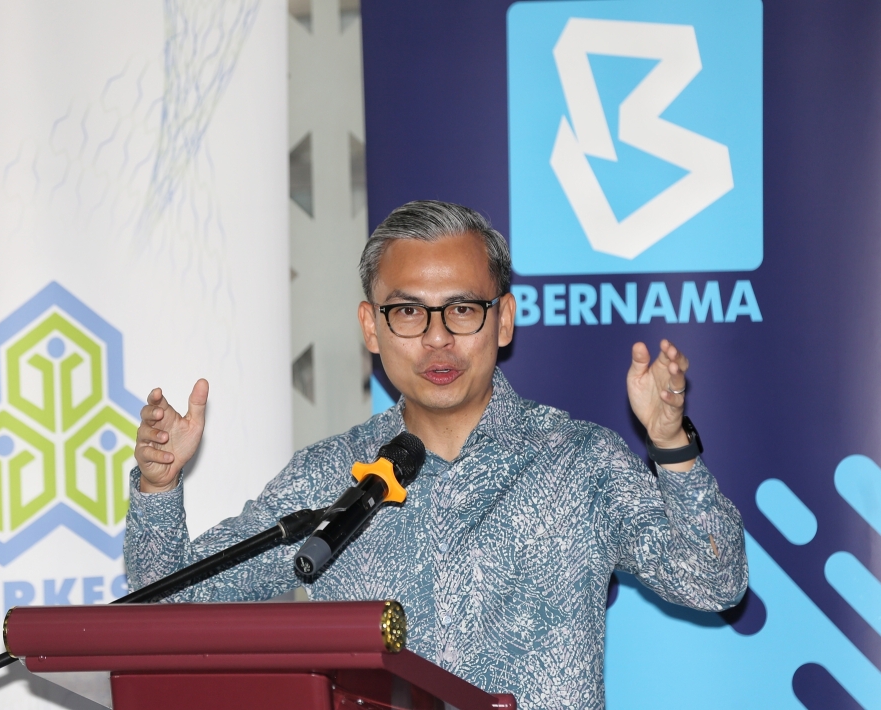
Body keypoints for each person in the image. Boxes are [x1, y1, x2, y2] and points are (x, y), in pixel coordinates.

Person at [124, 200, 748, 710]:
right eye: (407, 312)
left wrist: (670, 445)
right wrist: (159, 486)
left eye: (462, 309)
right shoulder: (328, 478)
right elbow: (166, 606)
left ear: (503, 319)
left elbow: (716, 583)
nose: (437, 337)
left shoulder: (579, 462)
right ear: (371, 327)